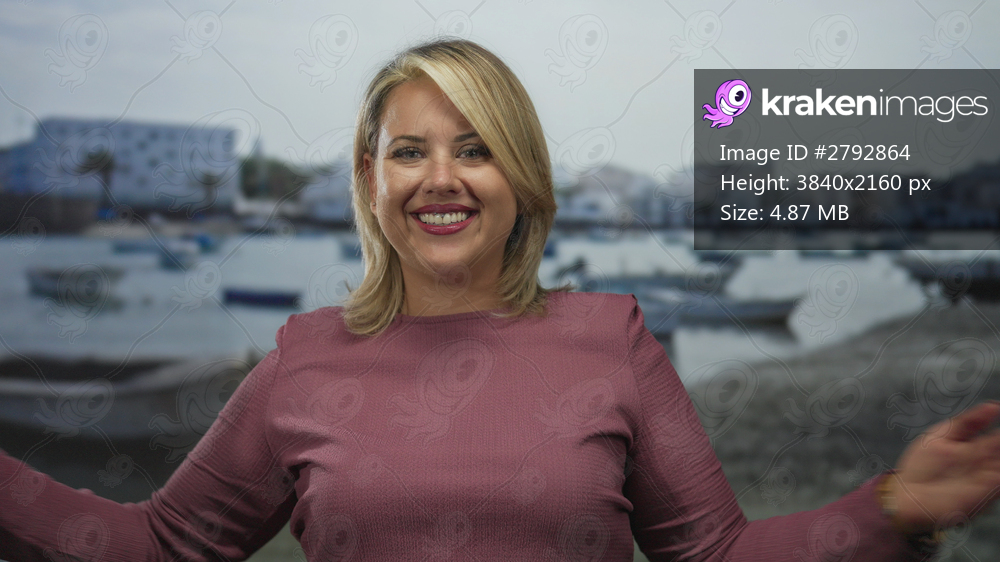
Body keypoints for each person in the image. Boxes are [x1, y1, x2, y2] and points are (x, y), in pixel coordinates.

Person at [2, 38, 1000, 561]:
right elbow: (158, 546)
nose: (441, 178)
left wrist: (893, 510)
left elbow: (716, 553)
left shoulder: (612, 339)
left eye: (475, 149)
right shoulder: (303, 360)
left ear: (520, 177)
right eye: (409, 151)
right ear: (371, 181)